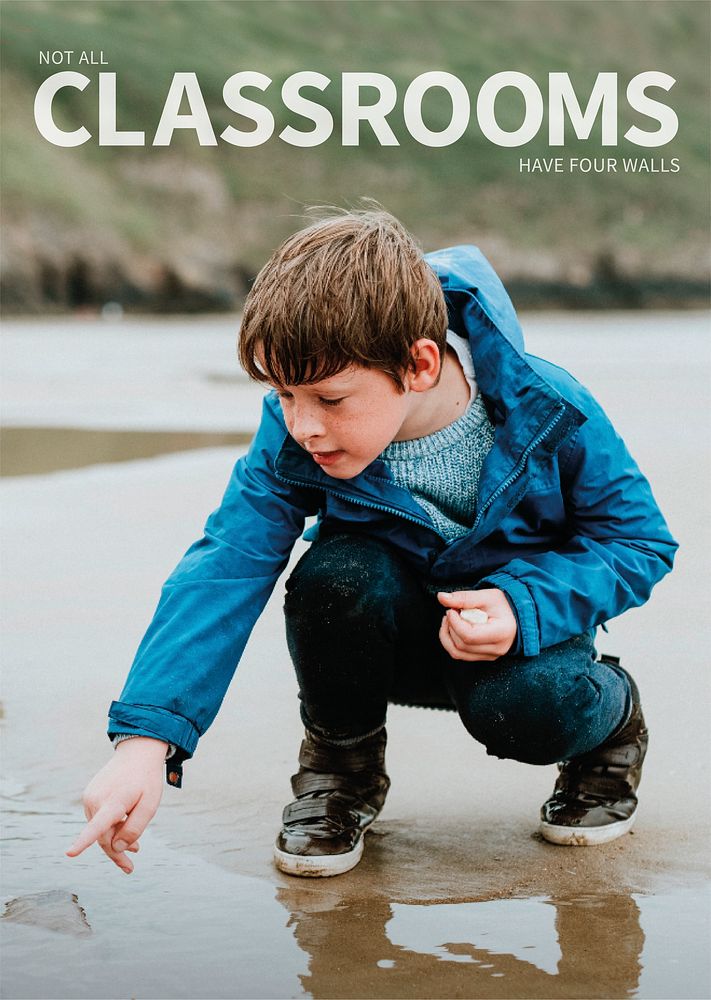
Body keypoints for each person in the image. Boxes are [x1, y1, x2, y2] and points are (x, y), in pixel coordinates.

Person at [66, 209, 677, 878]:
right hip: (387, 634)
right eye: (282, 393)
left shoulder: (551, 406)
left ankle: (610, 735)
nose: (302, 426)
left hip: (521, 649)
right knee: (333, 578)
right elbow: (228, 562)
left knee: (529, 709)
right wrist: (145, 742)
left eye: (328, 399)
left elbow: (638, 541)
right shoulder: (294, 429)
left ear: (417, 363)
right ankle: (339, 775)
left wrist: (522, 606)